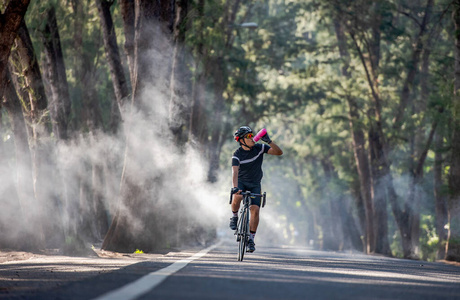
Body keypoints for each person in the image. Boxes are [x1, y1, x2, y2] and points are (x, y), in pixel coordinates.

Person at [230, 126, 283, 252]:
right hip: (241, 182)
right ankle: (234, 216)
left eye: (252, 134)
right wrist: (235, 188)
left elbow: (279, 152)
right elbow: (235, 173)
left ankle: (251, 239)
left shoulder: (259, 148)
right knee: (237, 196)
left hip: (255, 184)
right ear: (241, 140)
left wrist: (269, 141)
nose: (252, 137)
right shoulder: (237, 155)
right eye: (248, 136)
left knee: (255, 209)